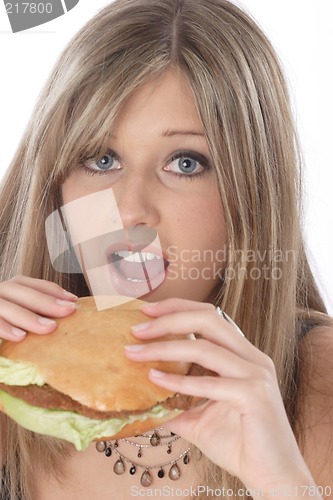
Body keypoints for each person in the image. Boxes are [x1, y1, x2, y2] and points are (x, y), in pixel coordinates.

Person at [0, 0, 332, 498]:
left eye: (185, 163)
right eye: (102, 158)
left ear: (253, 195)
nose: (131, 210)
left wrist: (281, 482)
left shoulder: (322, 388)